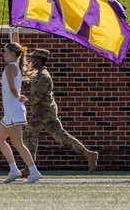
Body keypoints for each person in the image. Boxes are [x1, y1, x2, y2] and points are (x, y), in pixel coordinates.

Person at [19, 47, 98, 176]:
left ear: (38, 60)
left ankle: (29, 167)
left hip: (43, 112)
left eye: (33, 58)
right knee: (62, 136)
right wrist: (17, 80)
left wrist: (21, 100)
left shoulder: (44, 76)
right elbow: (28, 85)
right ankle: (88, 154)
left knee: (29, 134)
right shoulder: (37, 74)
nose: (30, 60)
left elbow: (36, 98)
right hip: (47, 112)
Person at [0, 42, 41, 184]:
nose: (3, 54)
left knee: (18, 143)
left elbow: (11, 87)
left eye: (6, 52)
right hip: (10, 110)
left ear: (12, 54)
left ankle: (34, 172)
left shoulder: (10, 67)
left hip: (13, 108)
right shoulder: (17, 65)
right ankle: (14, 169)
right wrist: (15, 30)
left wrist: (17, 97)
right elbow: (18, 45)